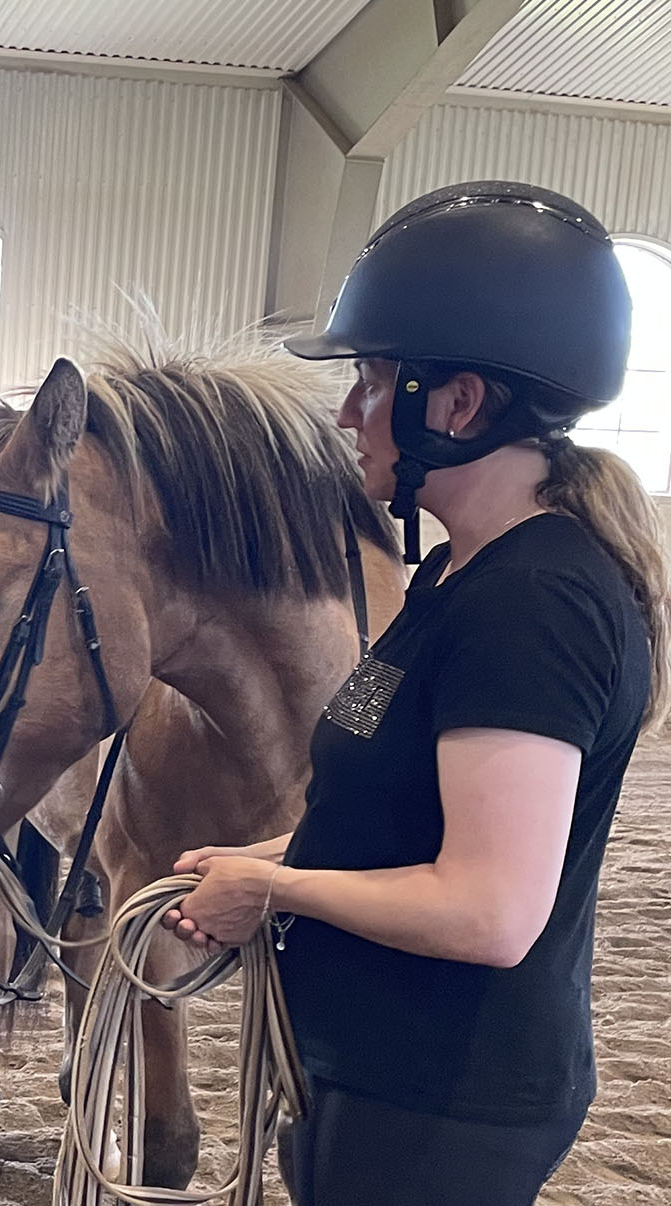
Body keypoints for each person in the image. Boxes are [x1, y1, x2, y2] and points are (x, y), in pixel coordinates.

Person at [161, 181, 670, 1204]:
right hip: (378, 1072)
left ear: (457, 404)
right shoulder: (454, 576)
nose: (347, 414)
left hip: (444, 1098)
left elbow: (489, 910)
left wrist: (273, 891)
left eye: (369, 381)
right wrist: (267, 855)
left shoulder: (533, 604)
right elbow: (398, 820)